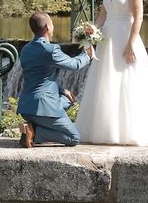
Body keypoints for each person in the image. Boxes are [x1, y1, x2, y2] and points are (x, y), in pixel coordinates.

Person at [75, 0, 148, 145]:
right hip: (107, 39)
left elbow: (139, 18)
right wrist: (90, 31)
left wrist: (130, 45)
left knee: (125, 82)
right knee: (104, 82)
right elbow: (102, 16)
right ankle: (104, 130)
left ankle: (126, 132)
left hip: (125, 37)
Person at [17, 11, 93, 148]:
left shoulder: (26, 49)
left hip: (26, 107)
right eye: (52, 23)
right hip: (43, 107)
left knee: (68, 99)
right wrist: (87, 55)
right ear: (47, 27)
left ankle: (31, 126)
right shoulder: (51, 50)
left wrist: (63, 90)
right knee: (74, 137)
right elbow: (75, 65)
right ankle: (34, 131)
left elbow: (40, 76)